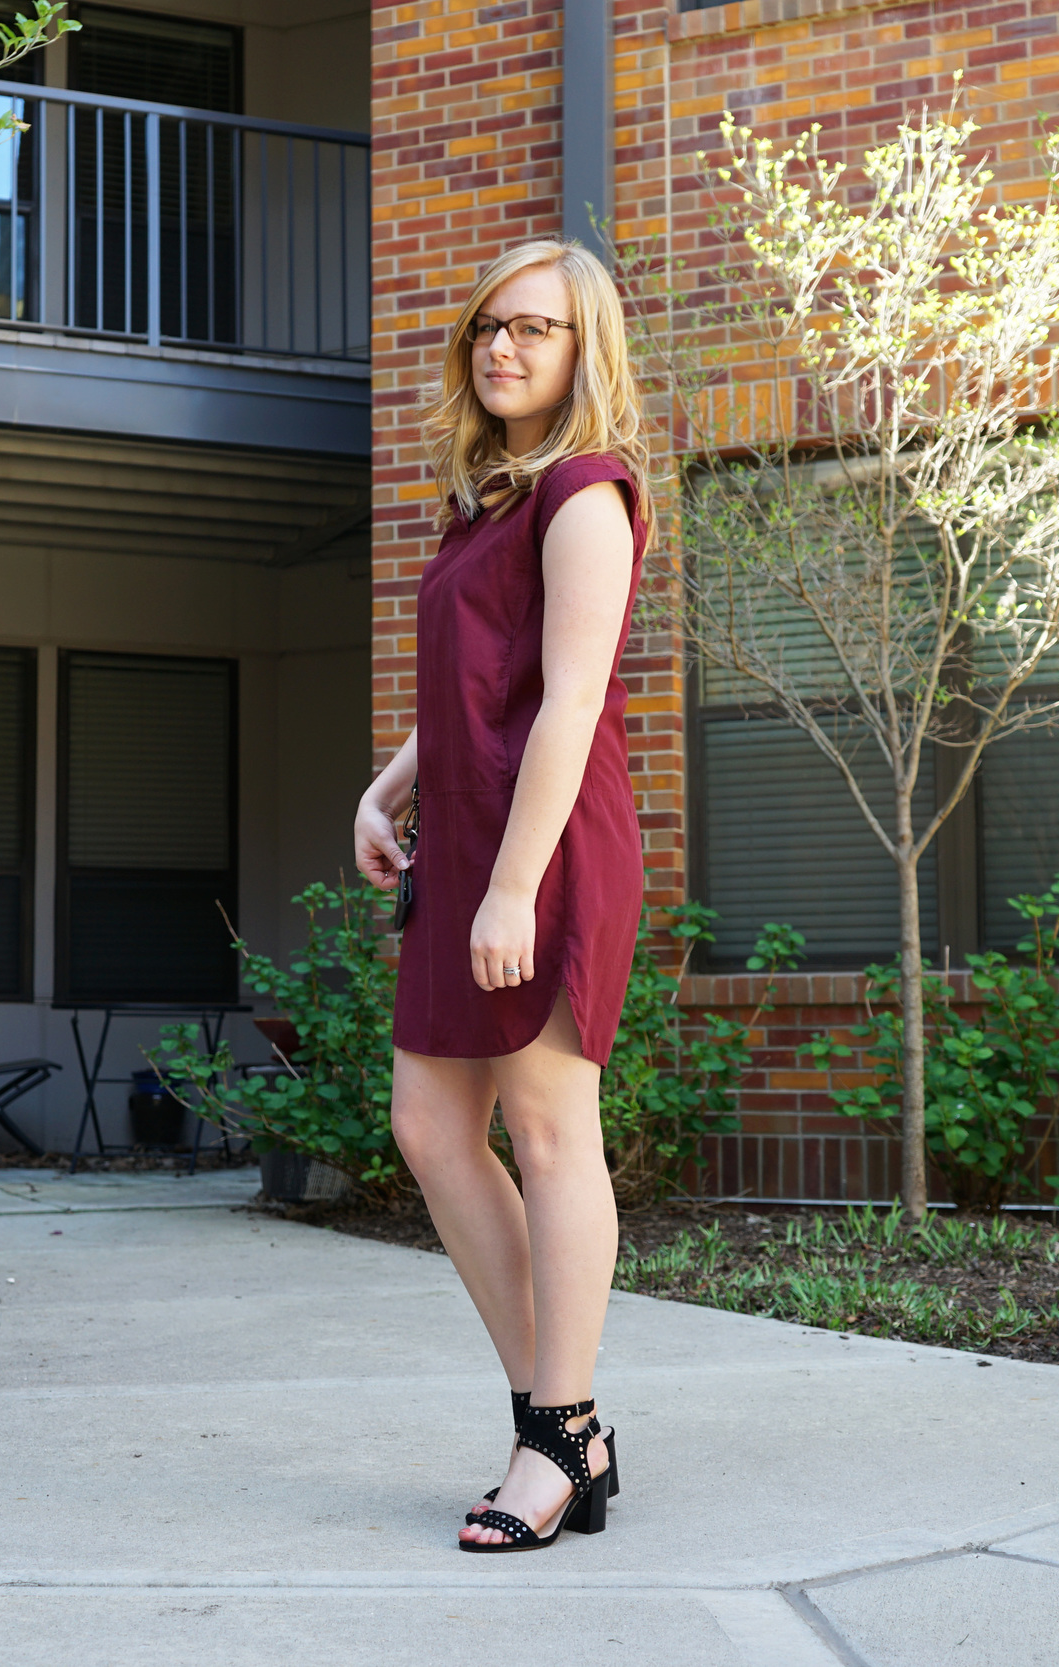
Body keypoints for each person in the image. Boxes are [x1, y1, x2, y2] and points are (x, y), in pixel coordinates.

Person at [352, 237, 649, 1553]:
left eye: (536, 328)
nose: (503, 346)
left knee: (546, 1128)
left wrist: (515, 885)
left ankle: (557, 1429)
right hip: (467, 838)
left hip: (547, 845)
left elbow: (569, 703)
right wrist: (390, 790)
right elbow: (477, 690)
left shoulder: (585, 494)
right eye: (489, 325)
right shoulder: (485, 506)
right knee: (428, 1124)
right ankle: (562, 1423)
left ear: (585, 352)